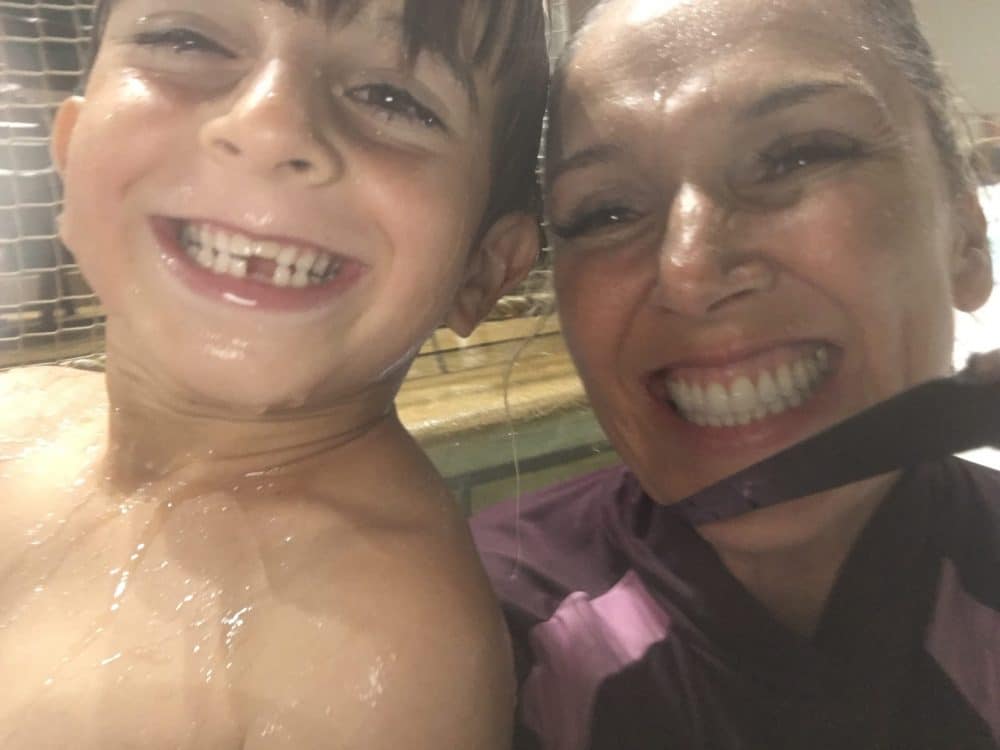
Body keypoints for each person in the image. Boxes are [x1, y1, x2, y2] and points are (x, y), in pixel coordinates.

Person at [0, 0, 547, 747]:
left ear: (481, 270)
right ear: (69, 147)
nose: (269, 127)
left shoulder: (376, 656)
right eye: (186, 39)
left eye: (393, 99)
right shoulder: (19, 412)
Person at [472, 0, 999, 747]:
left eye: (797, 155)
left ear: (968, 238)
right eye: (606, 212)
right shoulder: (474, 641)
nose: (689, 273)